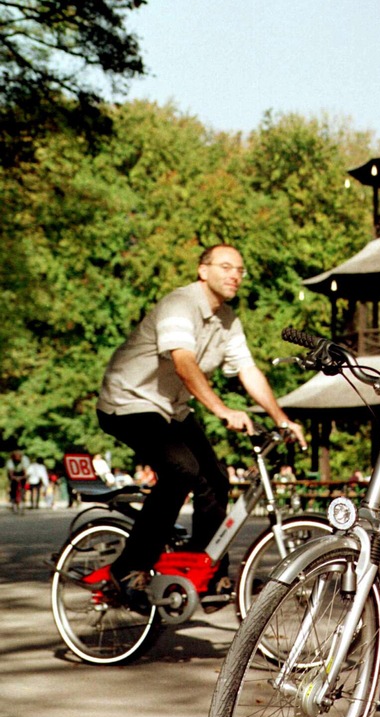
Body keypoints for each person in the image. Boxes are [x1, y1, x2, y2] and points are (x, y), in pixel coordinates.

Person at [97, 243, 305, 593]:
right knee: (182, 469)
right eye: (225, 267)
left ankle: (204, 569)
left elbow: (248, 371)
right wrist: (223, 411)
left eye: (240, 270)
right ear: (202, 270)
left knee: (216, 478)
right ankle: (128, 567)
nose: (234, 275)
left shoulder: (228, 319)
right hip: (128, 402)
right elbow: (184, 364)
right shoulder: (180, 304)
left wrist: (281, 418)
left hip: (170, 409)